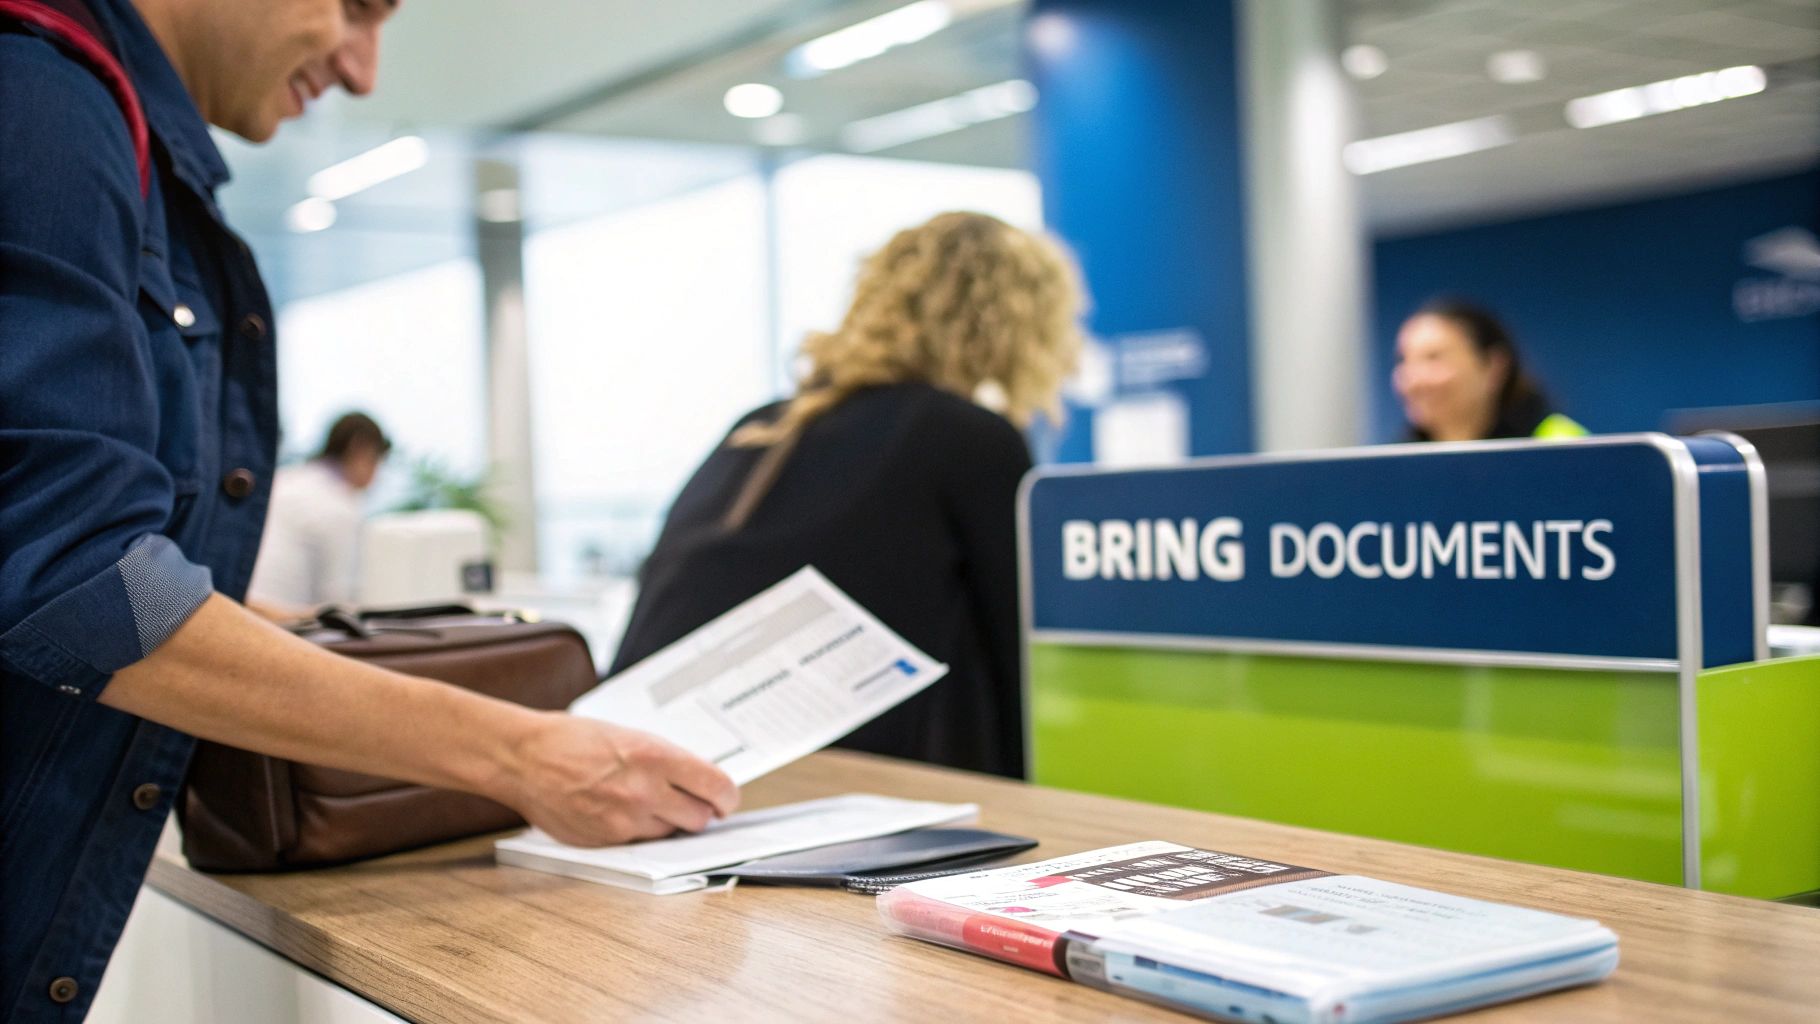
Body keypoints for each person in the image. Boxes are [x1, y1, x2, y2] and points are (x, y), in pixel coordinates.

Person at [0, 2, 735, 1018]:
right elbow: (80, 582)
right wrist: (518, 753)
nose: (363, 69)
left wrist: (284, 633)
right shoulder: (38, 98)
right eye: (356, 5)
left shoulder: (108, 135)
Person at [608, 211, 1085, 780]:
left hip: (637, 750)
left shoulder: (766, 425)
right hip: (832, 780)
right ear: (1019, 322)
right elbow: (1020, 654)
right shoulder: (965, 435)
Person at [247, 411, 392, 613]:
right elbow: (337, 601)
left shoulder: (286, 479)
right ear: (360, 447)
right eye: (378, 461)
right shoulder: (338, 503)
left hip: (238, 609)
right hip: (282, 623)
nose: (377, 476)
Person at [1391, 299, 1586, 442]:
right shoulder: (1392, 465)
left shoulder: (1562, 446)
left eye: (1434, 358)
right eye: (1403, 360)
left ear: (1494, 367)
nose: (1413, 381)